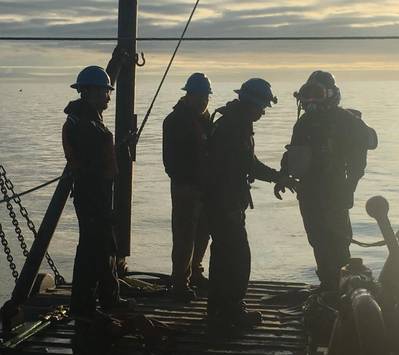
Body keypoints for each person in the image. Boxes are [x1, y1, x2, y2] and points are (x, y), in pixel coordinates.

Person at [206, 78, 294, 328]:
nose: (264, 111)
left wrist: (278, 177)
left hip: (220, 201)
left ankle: (218, 309)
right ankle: (231, 311)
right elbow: (246, 165)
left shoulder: (233, 123)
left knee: (223, 255)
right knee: (238, 258)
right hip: (226, 203)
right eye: (262, 106)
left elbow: (247, 162)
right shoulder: (233, 128)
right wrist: (277, 177)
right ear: (251, 103)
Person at [275, 70, 375, 291]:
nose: (311, 101)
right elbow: (293, 151)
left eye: (317, 94)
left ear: (330, 94)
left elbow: (358, 164)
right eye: (307, 94)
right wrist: (283, 175)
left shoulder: (347, 122)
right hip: (309, 192)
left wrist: (349, 190)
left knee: (338, 242)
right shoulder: (304, 123)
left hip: (335, 192)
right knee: (318, 240)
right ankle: (327, 284)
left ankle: (341, 290)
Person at [62, 47, 133, 318]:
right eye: (105, 92)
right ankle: (85, 305)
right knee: (94, 250)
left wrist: (116, 64)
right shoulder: (84, 124)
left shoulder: (86, 115)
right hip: (92, 194)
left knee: (101, 248)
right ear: (89, 92)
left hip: (95, 192)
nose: (108, 96)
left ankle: (106, 299)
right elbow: (94, 161)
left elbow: (98, 156)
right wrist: (122, 147)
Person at [162, 73, 213, 301]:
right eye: (200, 96)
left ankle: (195, 272)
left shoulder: (205, 118)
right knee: (184, 236)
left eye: (206, 97)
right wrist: (189, 179)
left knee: (203, 233)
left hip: (205, 187)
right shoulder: (174, 121)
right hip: (185, 187)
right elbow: (170, 161)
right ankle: (180, 283)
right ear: (188, 95)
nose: (203, 101)